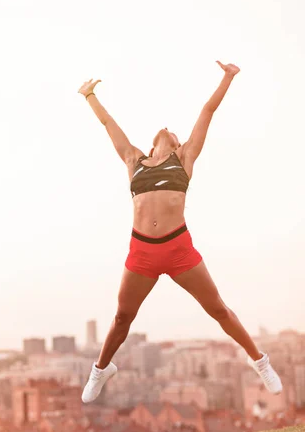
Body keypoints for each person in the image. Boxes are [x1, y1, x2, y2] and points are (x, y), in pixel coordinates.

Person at [78, 61, 283, 404]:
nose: (168, 128)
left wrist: (227, 77)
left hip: (178, 249)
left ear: (177, 143)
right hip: (141, 252)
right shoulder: (134, 160)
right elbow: (108, 124)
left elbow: (208, 110)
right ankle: (100, 369)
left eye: (174, 132)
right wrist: (90, 96)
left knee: (217, 308)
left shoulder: (184, 157)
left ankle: (260, 360)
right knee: (121, 317)